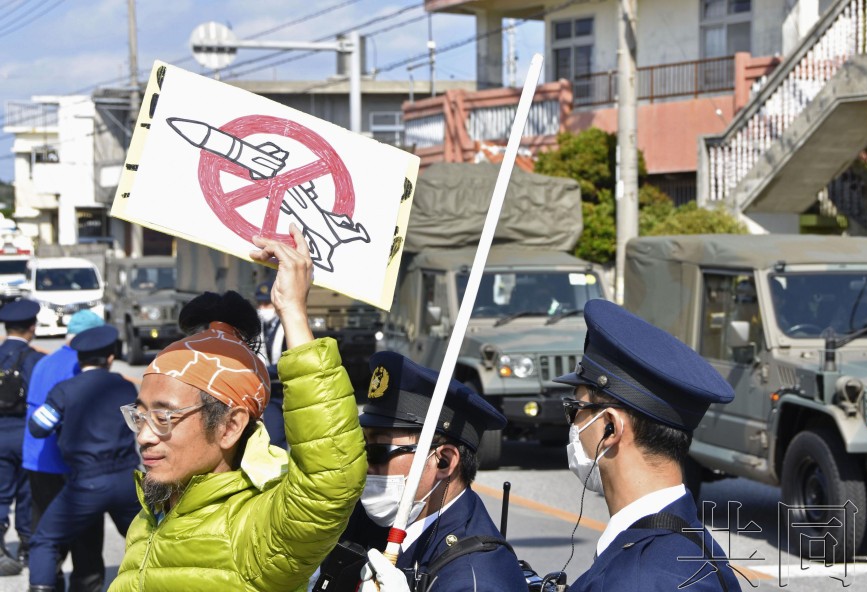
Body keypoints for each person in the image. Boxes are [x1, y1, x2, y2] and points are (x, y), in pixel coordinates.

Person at [107, 225, 366, 591]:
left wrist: (293, 311)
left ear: (230, 427)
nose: (145, 436)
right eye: (140, 415)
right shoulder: (152, 514)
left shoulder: (253, 532)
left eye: (164, 416)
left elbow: (331, 480)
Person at [554, 299, 740, 591]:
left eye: (575, 408)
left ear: (610, 427)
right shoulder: (688, 543)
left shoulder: (640, 579)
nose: (573, 424)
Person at [338, 351, 527, 592]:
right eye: (361, 448)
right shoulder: (369, 519)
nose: (364, 464)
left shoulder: (475, 577)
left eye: (377, 451)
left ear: (444, 461)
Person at [26, 325, 141, 592]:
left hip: (86, 484)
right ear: (111, 357)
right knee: (148, 538)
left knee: (45, 540)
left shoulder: (64, 390)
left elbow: (38, 427)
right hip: (127, 481)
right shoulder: (125, 387)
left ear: (79, 359)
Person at [22, 310, 106, 592]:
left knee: (45, 535)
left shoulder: (45, 361)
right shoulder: (80, 365)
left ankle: (48, 583)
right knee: (86, 539)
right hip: (71, 465)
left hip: (38, 460)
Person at [0, 298, 45, 576]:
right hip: (28, 436)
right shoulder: (36, 360)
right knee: (28, 492)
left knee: (0, 492)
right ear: (32, 327)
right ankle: (28, 546)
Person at [255, 279, 287, 448]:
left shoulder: (287, 324)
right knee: (275, 439)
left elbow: (290, 361)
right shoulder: (256, 327)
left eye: (267, 303)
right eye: (260, 303)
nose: (263, 307)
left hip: (289, 390)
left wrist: (264, 371)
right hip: (270, 393)